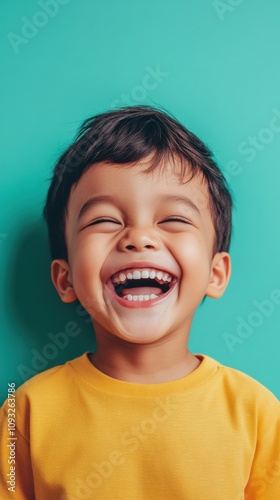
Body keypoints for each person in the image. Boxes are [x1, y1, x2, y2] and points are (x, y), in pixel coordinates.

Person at [0, 106, 279, 500]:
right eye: (104, 220)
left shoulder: (258, 413)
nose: (139, 238)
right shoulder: (22, 412)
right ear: (65, 279)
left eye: (174, 220)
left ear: (216, 274)